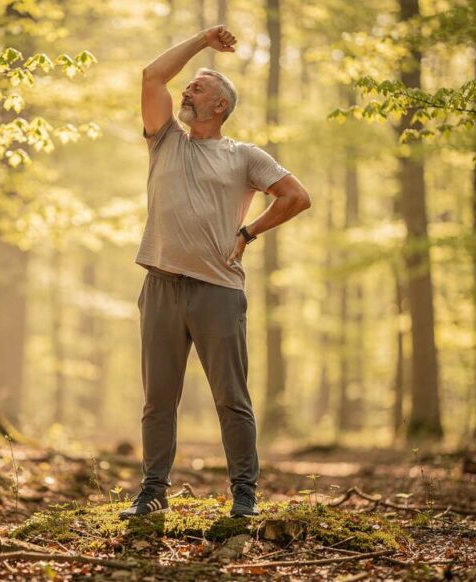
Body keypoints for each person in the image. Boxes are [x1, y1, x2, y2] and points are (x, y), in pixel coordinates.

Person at [119, 25, 311, 520]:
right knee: (158, 400)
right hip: (160, 284)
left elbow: (297, 196)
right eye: (189, 86)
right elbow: (152, 75)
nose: (186, 89)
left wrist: (248, 233)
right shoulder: (165, 140)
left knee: (231, 397)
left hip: (218, 291)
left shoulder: (244, 155)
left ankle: (244, 495)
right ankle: (152, 491)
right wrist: (203, 40)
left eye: (198, 87)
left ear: (221, 105)